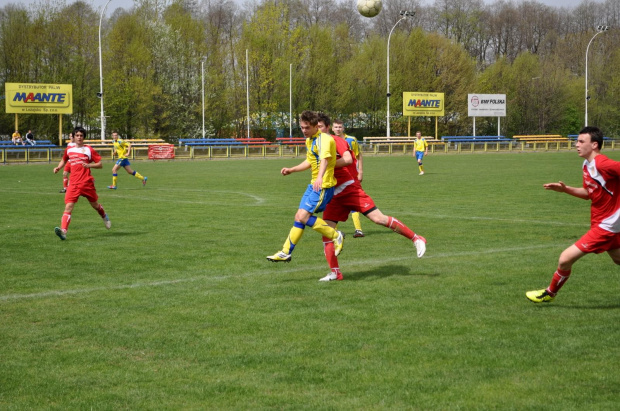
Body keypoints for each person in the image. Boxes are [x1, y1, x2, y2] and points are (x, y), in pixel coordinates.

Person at [317, 114, 427, 282]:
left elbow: (347, 159)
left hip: (349, 188)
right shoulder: (316, 144)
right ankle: (335, 273)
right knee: (326, 232)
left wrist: (327, 166)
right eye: (314, 127)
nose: (318, 130)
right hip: (333, 192)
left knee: (378, 219)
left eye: (320, 127)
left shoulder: (336, 141)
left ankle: (416, 238)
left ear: (327, 127)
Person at [526, 126, 620, 303]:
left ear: (594, 145)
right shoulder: (587, 165)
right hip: (603, 223)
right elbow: (588, 194)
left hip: (606, 225)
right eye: (577, 141)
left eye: (581, 141)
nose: (576, 145)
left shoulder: (602, 163)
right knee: (618, 259)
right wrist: (565, 189)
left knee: (565, 259)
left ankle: (549, 294)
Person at [266, 110, 344, 263]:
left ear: (316, 126)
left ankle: (336, 235)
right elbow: (310, 162)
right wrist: (292, 169)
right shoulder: (309, 140)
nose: (304, 130)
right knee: (298, 217)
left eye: (307, 127)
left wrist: (320, 178)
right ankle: (285, 252)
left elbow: (325, 160)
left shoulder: (325, 140)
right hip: (313, 185)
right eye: (302, 127)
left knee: (303, 216)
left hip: (324, 186)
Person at [53, 127, 111, 240]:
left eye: (81, 135)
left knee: (95, 205)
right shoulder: (69, 149)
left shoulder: (89, 149)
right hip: (73, 183)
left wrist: (89, 165)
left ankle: (104, 216)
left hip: (87, 183)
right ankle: (63, 232)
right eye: (77, 135)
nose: (79, 137)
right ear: (73, 137)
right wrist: (58, 167)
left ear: (84, 137)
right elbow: (64, 159)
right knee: (68, 206)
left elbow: (100, 164)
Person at [332, 119, 365, 238]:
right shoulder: (330, 140)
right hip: (336, 177)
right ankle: (333, 231)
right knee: (333, 202)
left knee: (354, 201)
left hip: (351, 175)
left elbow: (358, 155)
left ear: (343, 128)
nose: (338, 129)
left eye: (340, 127)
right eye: (336, 127)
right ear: (332, 128)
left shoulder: (351, 140)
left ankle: (358, 229)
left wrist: (360, 171)